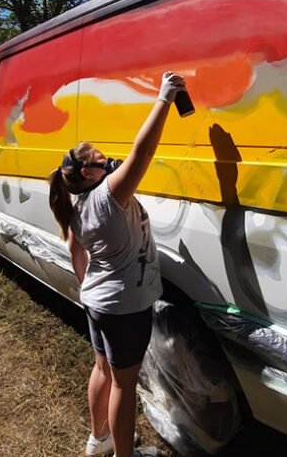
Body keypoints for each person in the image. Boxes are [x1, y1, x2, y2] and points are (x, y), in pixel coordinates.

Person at [48, 72, 187, 457]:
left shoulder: (78, 206)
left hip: (98, 303)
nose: (105, 158)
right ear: (88, 173)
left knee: (103, 371)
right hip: (124, 308)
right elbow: (142, 154)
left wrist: (89, 288)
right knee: (124, 385)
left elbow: (76, 253)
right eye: (98, 157)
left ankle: (99, 440)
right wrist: (164, 99)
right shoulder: (108, 196)